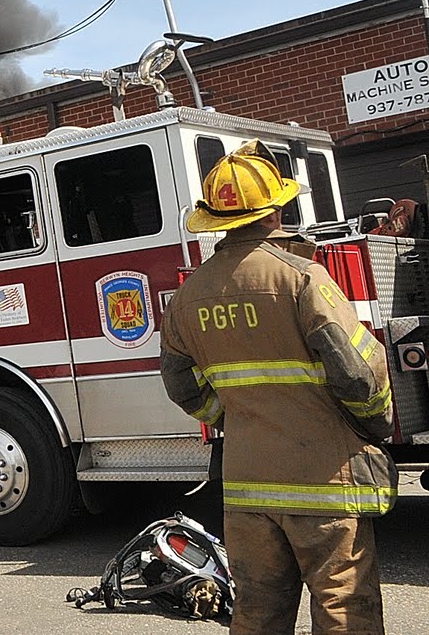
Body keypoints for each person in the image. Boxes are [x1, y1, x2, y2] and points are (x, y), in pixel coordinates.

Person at [160, 140, 396, 634]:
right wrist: (374, 424)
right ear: (275, 211)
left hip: (247, 487)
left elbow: (182, 387)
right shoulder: (303, 279)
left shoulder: (186, 298)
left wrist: (233, 418)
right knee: (344, 610)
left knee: (258, 612)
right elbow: (358, 374)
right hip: (325, 484)